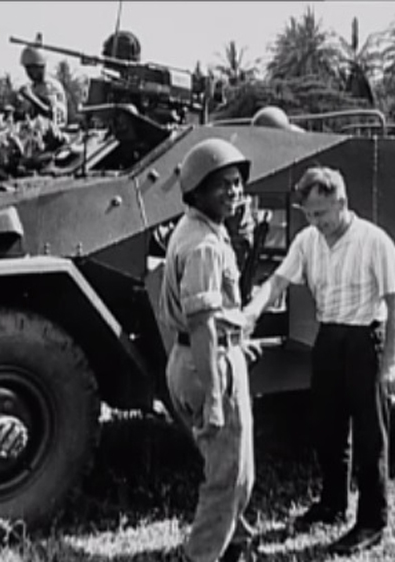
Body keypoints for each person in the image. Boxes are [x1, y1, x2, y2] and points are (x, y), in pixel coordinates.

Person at [242, 166, 395, 556]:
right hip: (329, 339)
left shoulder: (374, 242)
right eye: (310, 215)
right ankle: (332, 504)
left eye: (323, 214)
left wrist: (390, 363)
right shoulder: (308, 241)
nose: (317, 222)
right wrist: (250, 313)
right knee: (328, 428)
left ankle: (371, 522)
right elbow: (277, 283)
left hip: (366, 339)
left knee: (370, 435)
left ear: (342, 203)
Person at [159, 138, 260, 562]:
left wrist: (237, 340)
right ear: (197, 191)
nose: (234, 192)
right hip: (208, 365)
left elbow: (215, 314)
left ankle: (237, 546)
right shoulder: (202, 243)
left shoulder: (203, 228)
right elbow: (200, 324)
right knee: (227, 480)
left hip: (210, 355)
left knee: (239, 470)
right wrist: (217, 398)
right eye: (223, 185)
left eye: (237, 183)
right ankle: (202, 556)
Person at [17, 42, 68, 129]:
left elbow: (51, 114)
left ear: (41, 67)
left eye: (32, 68)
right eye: (27, 69)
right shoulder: (33, 87)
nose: (29, 73)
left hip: (54, 134)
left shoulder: (51, 86)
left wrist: (30, 97)